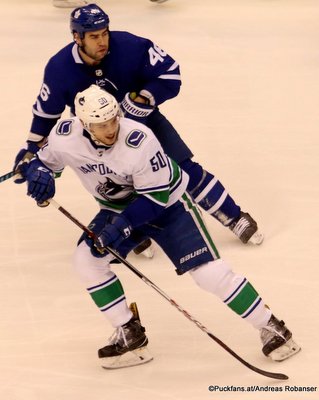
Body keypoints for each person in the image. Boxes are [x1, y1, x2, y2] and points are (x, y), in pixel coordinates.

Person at [20, 85, 299, 368]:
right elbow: (47, 162)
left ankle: (272, 327)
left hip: (168, 207)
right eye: (101, 124)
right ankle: (130, 335)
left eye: (113, 119)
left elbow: (155, 199)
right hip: (117, 209)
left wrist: (123, 225)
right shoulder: (65, 136)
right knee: (86, 261)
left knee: (209, 274)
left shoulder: (139, 141)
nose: (110, 128)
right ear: (84, 124)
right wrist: (39, 174)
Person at [14, 3, 263, 253]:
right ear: (77, 37)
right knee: (115, 188)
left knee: (185, 169)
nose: (102, 41)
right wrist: (31, 149)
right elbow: (47, 113)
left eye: (104, 33)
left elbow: (170, 75)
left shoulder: (131, 47)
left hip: (143, 123)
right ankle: (136, 233)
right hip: (94, 134)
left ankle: (233, 216)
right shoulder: (59, 68)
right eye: (94, 36)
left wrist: (143, 99)